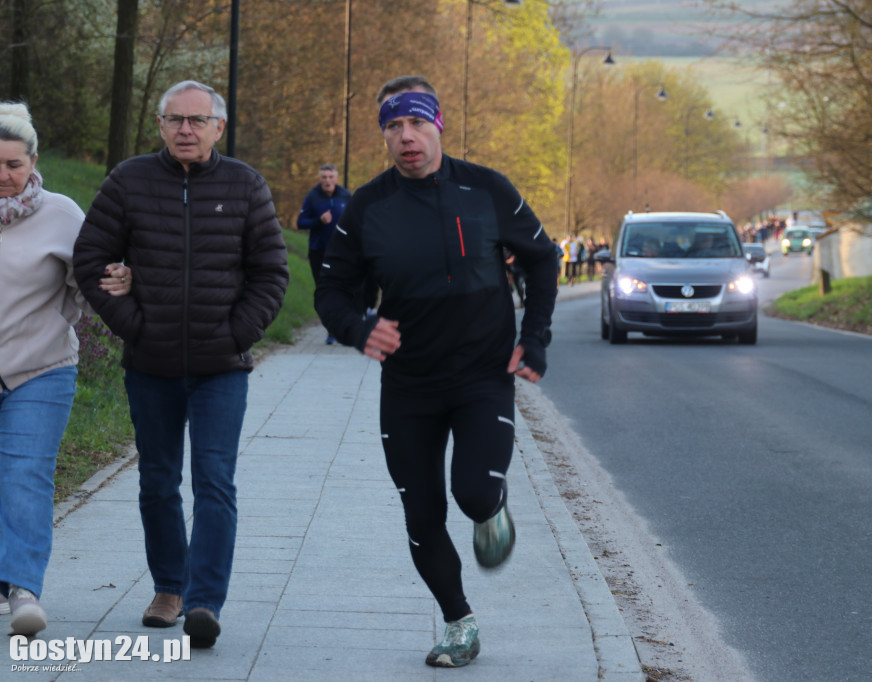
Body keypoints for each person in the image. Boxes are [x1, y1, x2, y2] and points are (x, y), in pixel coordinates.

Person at [315, 75, 559, 669]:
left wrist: (535, 340)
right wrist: (356, 327)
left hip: (482, 374)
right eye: (393, 127)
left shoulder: (486, 189)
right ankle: (458, 621)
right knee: (422, 512)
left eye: (417, 124)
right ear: (384, 136)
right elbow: (332, 289)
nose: (406, 138)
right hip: (409, 382)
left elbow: (543, 257)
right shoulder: (367, 207)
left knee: (473, 492)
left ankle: (491, 505)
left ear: (438, 125)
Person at [73, 80, 289, 649]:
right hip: (151, 363)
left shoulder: (245, 185)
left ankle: (203, 602)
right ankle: (169, 587)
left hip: (222, 368)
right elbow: (91, 256)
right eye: (175, 120)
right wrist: (131, 324)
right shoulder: (129, 180)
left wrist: (237, 331)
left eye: (197, 120)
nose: (185, 130)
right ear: (161, 126)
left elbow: (271, 272)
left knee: (214, 482)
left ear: (219, 127)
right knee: (157, 481)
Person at [0, 102, 131, 637]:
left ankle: (24, 591)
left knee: (25, 476)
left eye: (13, 163)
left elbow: (92, 284)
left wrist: (120, 285)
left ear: (34, 162)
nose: (3, 175)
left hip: (40, 368)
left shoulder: (61, 214)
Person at [296, 164, 352, 344]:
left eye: (330, 177)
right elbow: (301, 222)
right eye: (324, 177)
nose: (327, 181)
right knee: (324, 291)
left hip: (343, 252)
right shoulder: (313, 197)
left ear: (336, 178)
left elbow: (357, 220)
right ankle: (331, 330)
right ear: (320, 179)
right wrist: (318, 221)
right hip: (319, 251)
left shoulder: (346, 196)